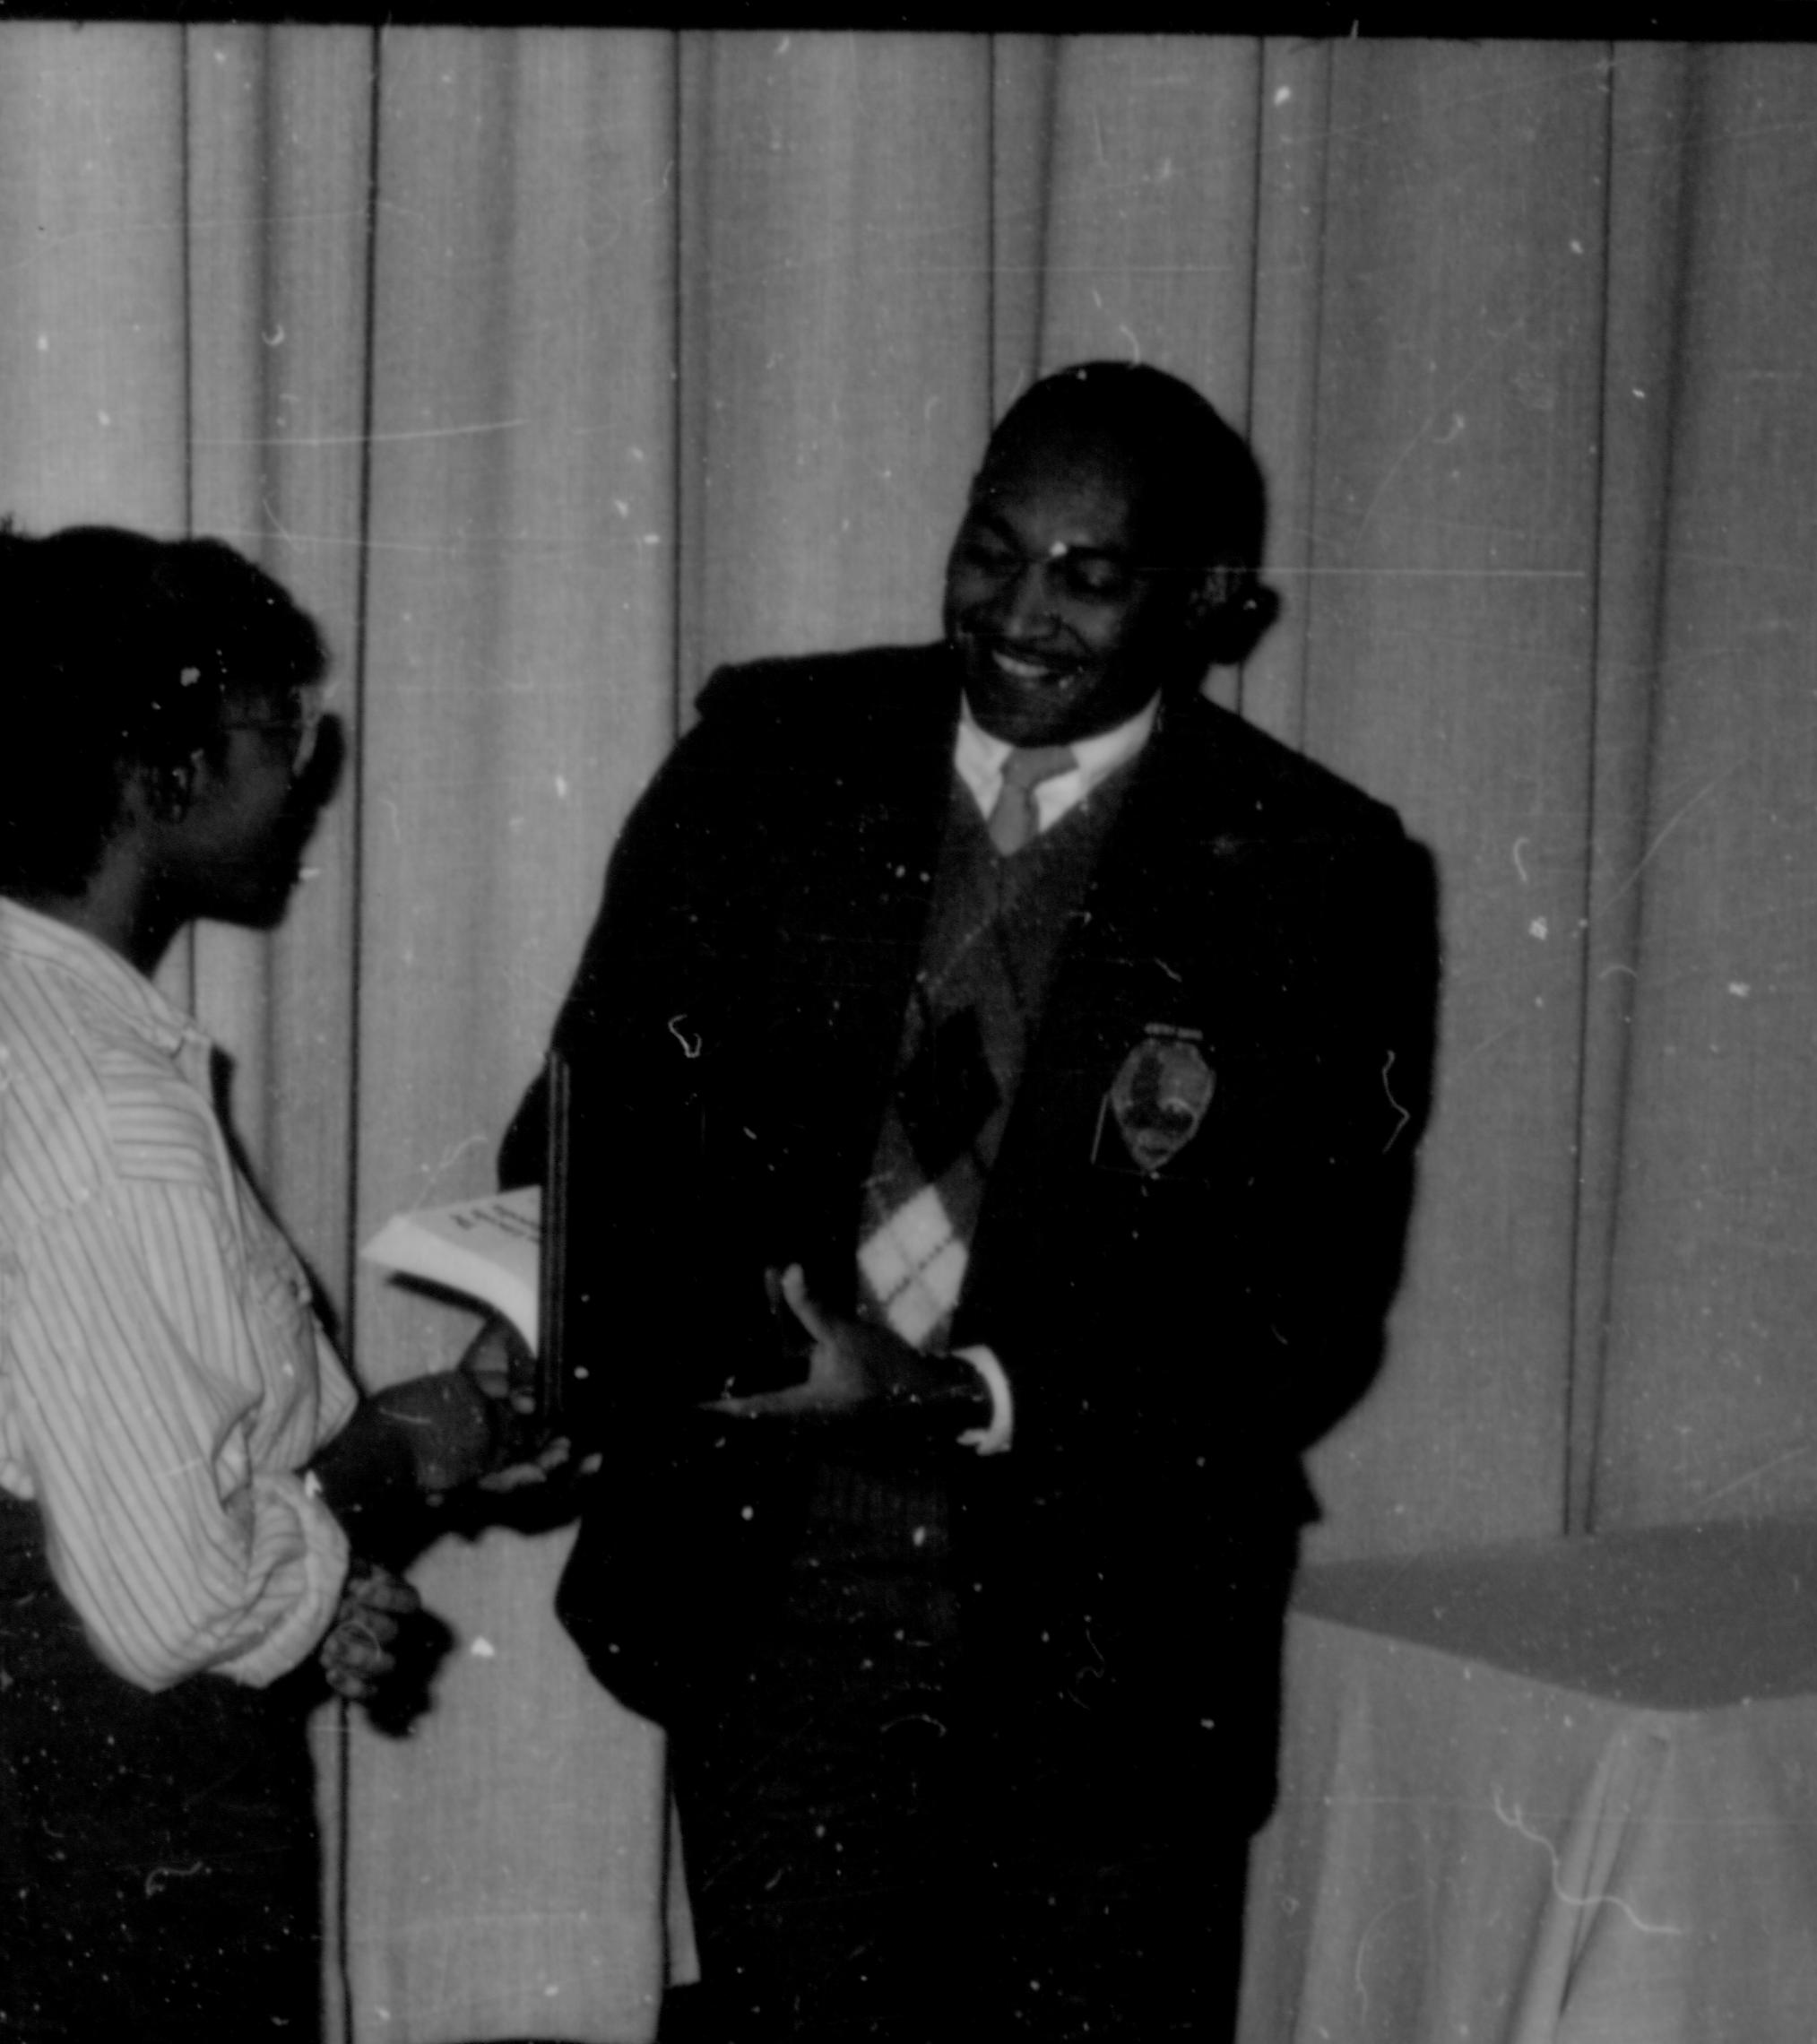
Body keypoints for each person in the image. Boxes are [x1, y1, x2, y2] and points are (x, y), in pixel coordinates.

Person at [504, 361, 1439, 2040]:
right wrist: (571, 1313)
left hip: (1111, 1626)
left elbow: (1301, 1313)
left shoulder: (1315, 870)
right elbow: (590, 1121)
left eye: (1090, 576)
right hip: (781, 1572)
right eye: (991, 549)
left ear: (1218, 600)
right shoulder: (770, 759)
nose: (1018, 613)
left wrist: (953, 1391)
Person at [0, 524, 512, 2044]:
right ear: (158, 775)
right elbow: (163, 1599)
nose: (304, 772)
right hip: (95, 1760)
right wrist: (412, 1448)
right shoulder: (105, 1105)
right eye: (280, 730)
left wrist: (303, 1589)